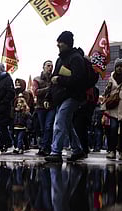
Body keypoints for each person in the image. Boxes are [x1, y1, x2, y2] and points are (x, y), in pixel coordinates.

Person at [44, 31, 89, 163]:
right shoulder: (60, 60)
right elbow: (53, 80)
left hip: (73, 96)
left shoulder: (76, 58)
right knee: (67, 124)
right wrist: (48, 96)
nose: (58, 44)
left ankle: (56, 151)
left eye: (60, 42)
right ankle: (77, 149)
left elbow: (78, 79)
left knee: (60, 121)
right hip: (61, 96)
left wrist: (60, 80)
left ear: (67, 43)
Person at [33, 60, 54, 156]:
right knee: (42, 128)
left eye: (51, 66)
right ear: (44, 67)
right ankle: (43, 146)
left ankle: (45, 147)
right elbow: (36, 92)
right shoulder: (37, 79)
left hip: (51, 106)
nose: (50, 68)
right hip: (40, 106)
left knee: (48, 126)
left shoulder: (54, 79)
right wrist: (48, 89)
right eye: (48, 66)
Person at [0, 63, 15, 153]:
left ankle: (9, 144)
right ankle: (2, 144)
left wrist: (3, 102)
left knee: (2, 126)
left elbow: (10, 92)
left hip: (3, 106)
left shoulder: (7, 78)